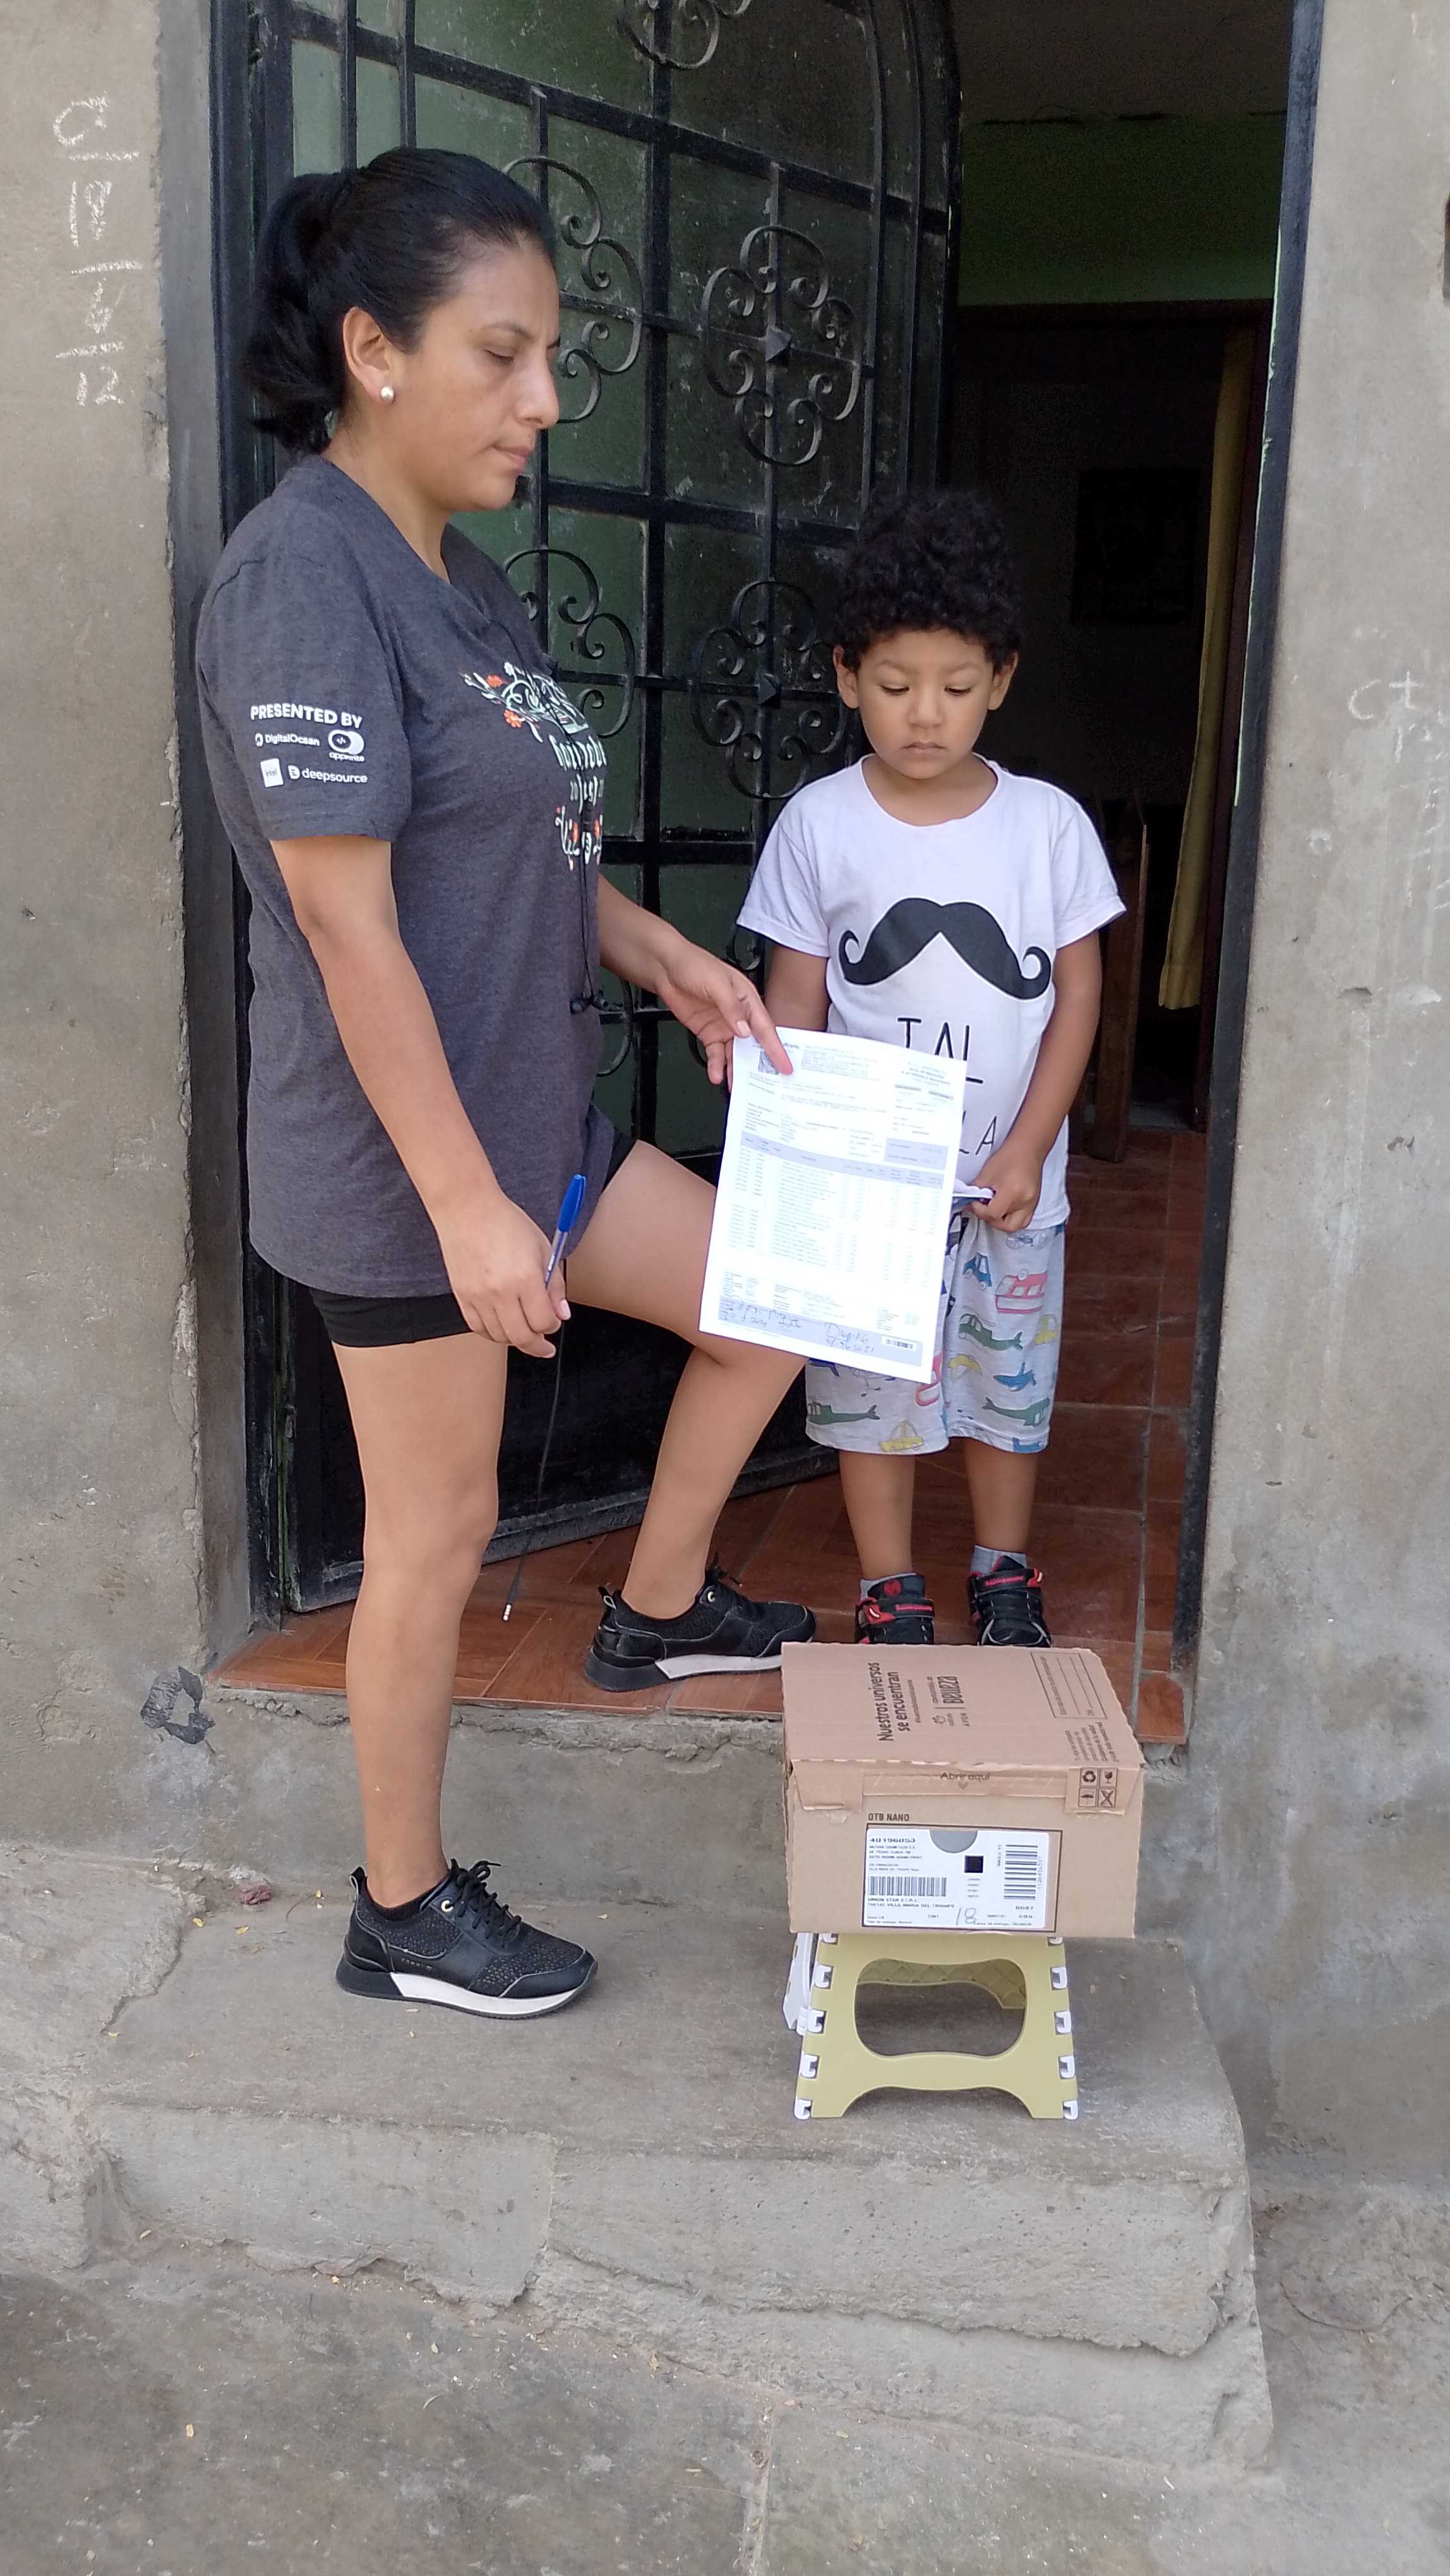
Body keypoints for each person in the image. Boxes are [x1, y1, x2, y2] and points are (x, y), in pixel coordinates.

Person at [195, 148, 813, 2022]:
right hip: (407, 1167)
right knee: (437, 1539)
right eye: (503, 353)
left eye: (549, 357)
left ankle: (662, 1603)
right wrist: (467, 1209)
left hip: (537, 1127)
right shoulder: (301, 576)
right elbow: (346, 920)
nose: (545, 399)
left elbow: (519, 841)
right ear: (373, 352)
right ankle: (400, 1909)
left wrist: (661, 954)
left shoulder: (461, 581)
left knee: (764, 1300)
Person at [738, 487, 1123, 1651]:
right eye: (896, 685)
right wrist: (793, 1143)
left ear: (1000, 680)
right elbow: (797, 1000)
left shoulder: (1047, 827)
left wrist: (1030, 1148)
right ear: (847, 675)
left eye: (956, 689)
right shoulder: (818, 825)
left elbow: (1077, 997)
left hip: (1012, 1186)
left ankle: (1005, 1569)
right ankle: (888, 1582)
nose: (924, 715)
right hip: (872, 1188)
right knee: (871, 1396)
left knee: (1009, 1387)